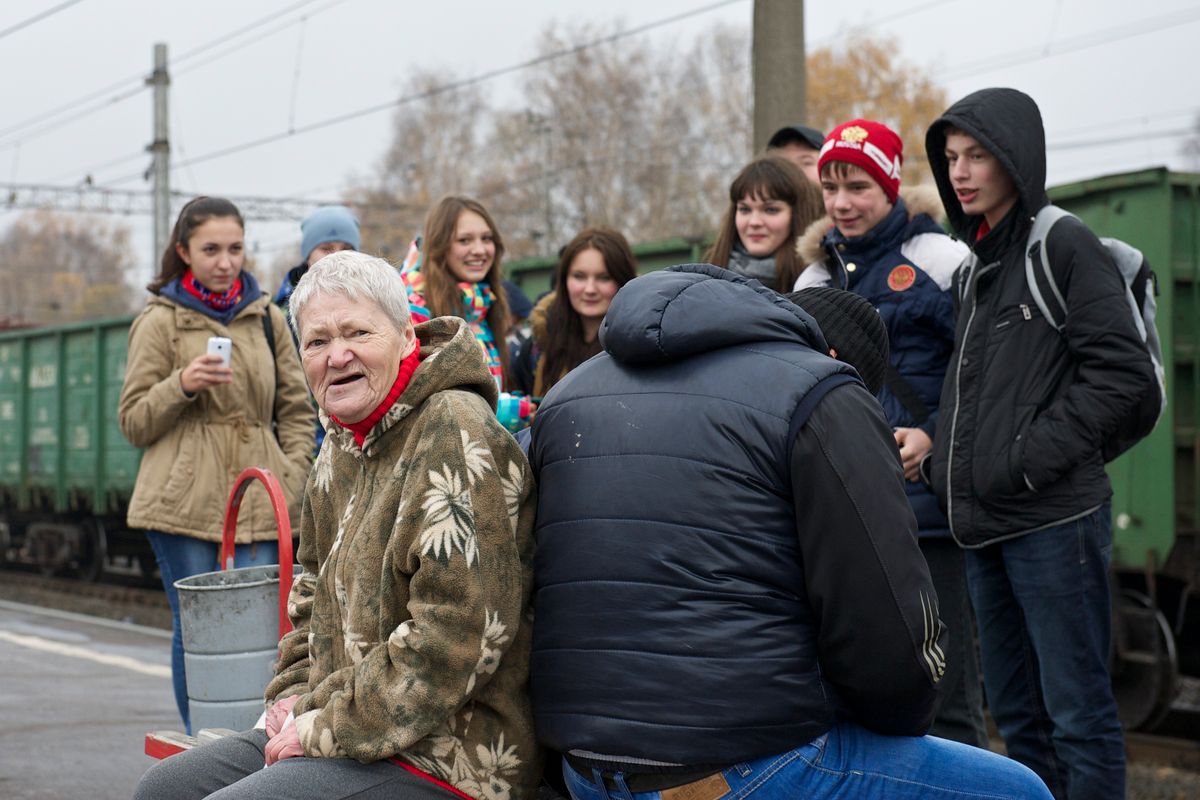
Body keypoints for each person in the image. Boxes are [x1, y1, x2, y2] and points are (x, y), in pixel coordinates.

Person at [528, 263, 1052, 800]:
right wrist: (903, 711)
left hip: (582, 767)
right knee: (1018, 790)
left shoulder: (568, 393)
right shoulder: (821, 391)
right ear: (835, 360)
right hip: (733, 768)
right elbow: (881, 621)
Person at [133, 251, 539, 800]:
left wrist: (325, 727)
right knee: (167, 789)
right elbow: (309, 596)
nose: (337, 355)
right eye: (317, 341)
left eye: (357, 333)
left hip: (448, 754)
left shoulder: (454, 430)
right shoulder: (344, 440)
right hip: (340, 722)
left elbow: (454, 641)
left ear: (404, 335)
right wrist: (288, 701)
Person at [924, 88, 1156, 799]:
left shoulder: (1060, 242)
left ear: (1015, 159)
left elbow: (1121, 377)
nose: (961, 173)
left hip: (1052, 521)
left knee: (1078, 715)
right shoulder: (972, 270)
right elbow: (978, 400)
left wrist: (1026, 461)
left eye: (978, 156)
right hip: (987, 525)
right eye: (952, 158)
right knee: (1018, 721)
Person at [793, 119, 986, 748]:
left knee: (947, 693)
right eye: (830, 187)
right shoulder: (812, 280)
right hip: (847, 512)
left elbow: (983, 372)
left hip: (930, 512)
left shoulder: (943, 259)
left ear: (891, 185)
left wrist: (932, 435)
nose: (843, 203)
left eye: (858, 187)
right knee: (862, 691)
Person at [118, 196, 316, 734]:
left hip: (258, 495)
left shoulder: (269, 318)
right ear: (183, 252)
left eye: (235, 248)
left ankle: (254, 742)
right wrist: (181, 384)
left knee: (263, 628)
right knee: (199, 628)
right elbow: (134, 421)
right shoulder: (159, 321)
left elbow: (299, 410)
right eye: (211, 249)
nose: (225, 262)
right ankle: (203, 744)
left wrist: (292, 475)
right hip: (181, 501)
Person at [400, 196, 512, 390]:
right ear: (440, 247)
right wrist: (504, 410)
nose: (479, 250)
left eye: (486, 238)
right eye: (464, 240)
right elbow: (417, 395)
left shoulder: (485, 306)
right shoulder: (416, 309)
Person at [512, 226, 637, 398]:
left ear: (623, 280)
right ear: (564, 280)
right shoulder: (537, 346)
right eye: (579, 276)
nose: (590, 289)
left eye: (604, 277)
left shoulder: (640, 347)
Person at [704, 155, 824, 293]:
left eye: (770, 210)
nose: (754, 222)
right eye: (745, 209)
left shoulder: (819, 281)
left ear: (796, 215)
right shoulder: (704, 281)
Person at [273, 204, 362, 322]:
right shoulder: (280, 314)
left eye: (347, 249)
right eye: (326, 249)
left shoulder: (375, 298)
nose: (337, 256)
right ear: (308, 255)